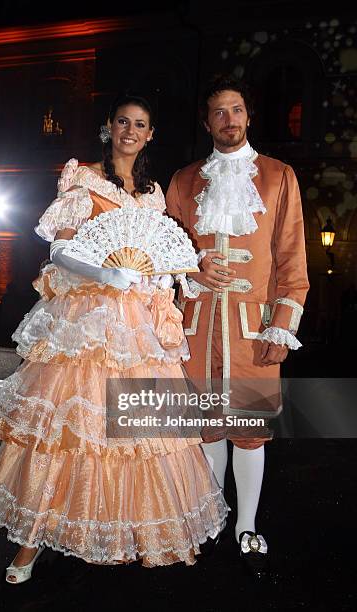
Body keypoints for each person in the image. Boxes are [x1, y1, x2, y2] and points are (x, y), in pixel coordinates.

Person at [0, 92, 228, 583]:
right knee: (67, 434)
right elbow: (61, 252)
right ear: (110, 127)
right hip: (86, 320)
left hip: (138, 327)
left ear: (151, 134)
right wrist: (105, 276)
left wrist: (168, 276)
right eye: (123, 121)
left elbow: (158, 261)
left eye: (140, 124)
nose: (130, 130)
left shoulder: (150, 194)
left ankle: (123, 531)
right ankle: (29, 546)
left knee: (133, 437)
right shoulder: (83, 177)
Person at [165, 75, 309, 578]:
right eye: (220, 113)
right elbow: (168, 256)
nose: (230, 120)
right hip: (199, 325)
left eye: (238, 110)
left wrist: (282, 326)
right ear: (207, 123)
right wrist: (192, 269)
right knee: (208, 431)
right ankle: (210, 520)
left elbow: (292, 260)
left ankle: (246, 523)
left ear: (248, 117)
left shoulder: (278, 175)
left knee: (248, 432)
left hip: (254, 327)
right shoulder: (183, 180)